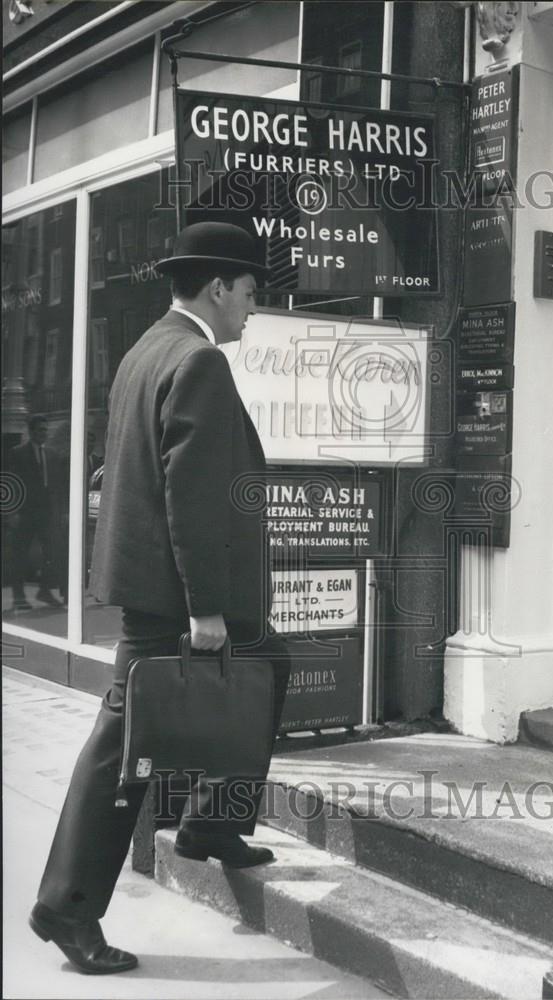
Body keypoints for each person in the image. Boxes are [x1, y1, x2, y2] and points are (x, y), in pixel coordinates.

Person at [30, 222, 291, 975]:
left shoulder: (147, 348)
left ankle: (212, 823)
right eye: (248, 291)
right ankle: (68, 906)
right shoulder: (198, 360)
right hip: (180, 595)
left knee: (267, 665)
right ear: (217, 287)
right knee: (123, 752)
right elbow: (191, 495)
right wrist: (205, 607)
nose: (252, 306)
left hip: (157, 583)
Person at [8, 414, 65, 610]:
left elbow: (56, 485)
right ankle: (18, 596)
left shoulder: (52, 454)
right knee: (20, 554)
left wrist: (60, 511)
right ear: (31, 431)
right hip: (25, 512)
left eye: (45, 430)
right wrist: (12, 512)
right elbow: (10, 483)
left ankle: (45, 591)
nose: (44, 434)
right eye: (40, 430)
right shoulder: (17, 453)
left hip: (46, 513)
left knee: (52, 553)